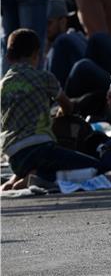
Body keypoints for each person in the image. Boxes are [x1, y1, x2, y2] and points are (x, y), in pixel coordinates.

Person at [0, 29, 101, 191]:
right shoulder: (44, 78)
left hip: (14, 156)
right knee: (95, 167)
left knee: (29, 161)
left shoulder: (3, 85)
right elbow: (67, 106)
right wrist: (63, 111)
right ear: (37, 55)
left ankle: (15, 180)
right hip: (41, 149)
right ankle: (39, 176)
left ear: (8, 57)